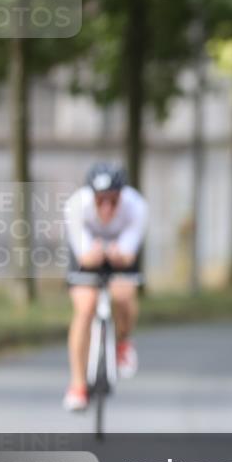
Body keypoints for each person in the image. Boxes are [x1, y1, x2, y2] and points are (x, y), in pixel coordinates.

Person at [62, 162, 148, 411]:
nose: (107, 207)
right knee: (85, 306)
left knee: (123, 295)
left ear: (122, 195)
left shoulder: (137, 207)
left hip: (121, 252)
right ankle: (78, 384)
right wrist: (92, 255)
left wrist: (119, 255)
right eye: (101, 200)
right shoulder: (76, 206)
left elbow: (129, 253)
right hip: (88, 253)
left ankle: (122, 341)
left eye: (113, 200)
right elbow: (83, 255)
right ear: (92, 197)